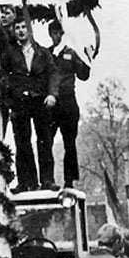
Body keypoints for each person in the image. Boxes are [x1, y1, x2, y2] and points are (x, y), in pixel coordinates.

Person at [4, 16, 60, 192]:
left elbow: (53, 73)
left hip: (40, 101)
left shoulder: (42, 52)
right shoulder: (10, 54)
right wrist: (11, 97)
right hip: (20, 102)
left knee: (44, 141)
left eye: (23, 27)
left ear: (29, 30)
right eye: (17, 28)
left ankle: (47, 180)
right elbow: (4, 76)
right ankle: (26, 182)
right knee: (22, 143)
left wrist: (52, 94)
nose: (21, 31)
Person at [47, 20, 90, 188]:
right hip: (51, 103)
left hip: (68, 102)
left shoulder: (71, 54)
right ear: (50, 34)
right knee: (46, 142)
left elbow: (83, 75)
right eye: (54, 33)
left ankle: (69, 181)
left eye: (60, 33)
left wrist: (88, 58)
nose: (57, 36)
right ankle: (47, 179)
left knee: (70, 144)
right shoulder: (47, 54)